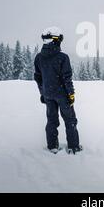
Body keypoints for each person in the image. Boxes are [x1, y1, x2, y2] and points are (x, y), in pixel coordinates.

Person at [34, 26, 82, 154]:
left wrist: (43, 92)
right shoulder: (62, 57)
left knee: (52, 120)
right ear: (56, 40)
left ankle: (52, 146)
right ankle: (73, 146)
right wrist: (71, 94)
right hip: (62, 95)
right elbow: (67, 78)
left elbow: (38, 78)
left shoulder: (39, 57)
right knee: (70, 119)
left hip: (48, 94)